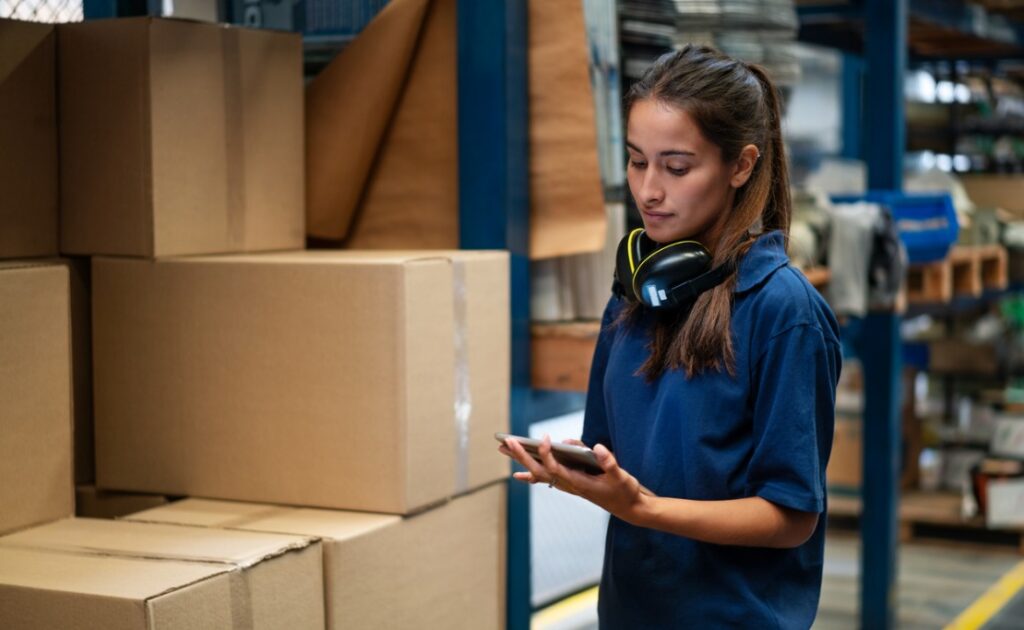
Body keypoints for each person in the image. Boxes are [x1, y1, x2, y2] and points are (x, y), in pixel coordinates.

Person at [499, 45, 841, 628]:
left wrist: (645, 508)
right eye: (637, 162)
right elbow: (611, 457)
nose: (648, 191)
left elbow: (791, 517)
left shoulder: (784, 313)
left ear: (741, 165)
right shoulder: (632, 299)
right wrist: (578, 472)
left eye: (677, 168)